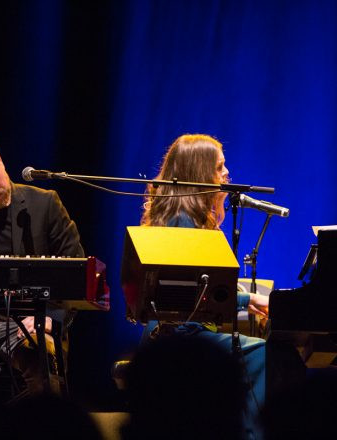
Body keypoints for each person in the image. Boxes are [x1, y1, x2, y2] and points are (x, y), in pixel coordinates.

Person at [139, 134, 268, 437]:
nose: (227, 174)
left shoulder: (183, 219)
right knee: (262, 352)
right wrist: (249, 298)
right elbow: (199, 290)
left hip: (184, 330)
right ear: (200, 173)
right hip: (176, 334)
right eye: (219, 167)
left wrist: (245, 298)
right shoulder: (183, 223)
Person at [0, 140, 84, 396]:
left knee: (45, 378)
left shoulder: (45, 204)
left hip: (32, 323)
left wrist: (49, 318)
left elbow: (77, 274)